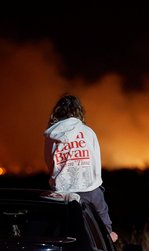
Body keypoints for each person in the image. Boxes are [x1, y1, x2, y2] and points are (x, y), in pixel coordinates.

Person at [43, 94, 118, 242]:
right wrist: (95, 182)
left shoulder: (51, 135)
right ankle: (107, 236)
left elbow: (49, 162)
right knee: (102, 215)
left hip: (62, 192)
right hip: (89, 188)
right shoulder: (88, 132)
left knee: (60, 225)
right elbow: (96, 160)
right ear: (78, 111)